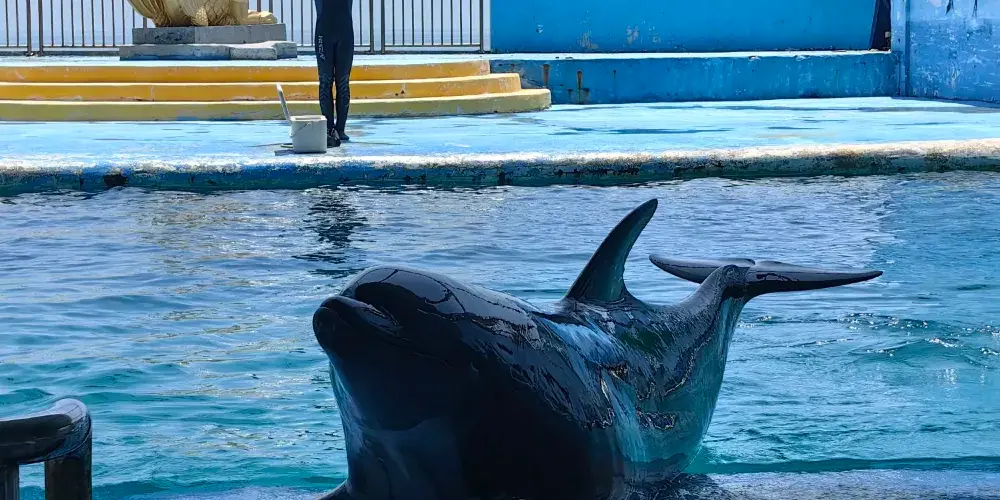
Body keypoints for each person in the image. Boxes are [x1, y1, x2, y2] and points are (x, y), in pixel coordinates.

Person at [314, 0, 354, 147]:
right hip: (324, 34)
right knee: (325, 81)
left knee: (343, 82)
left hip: (345, 34)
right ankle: (328, 128)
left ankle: (340, 129)